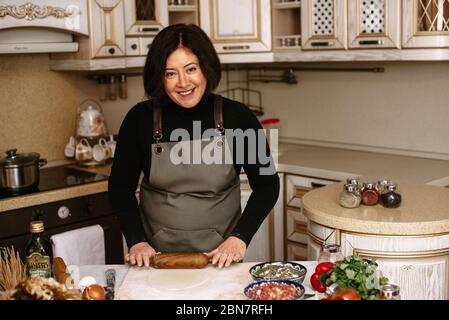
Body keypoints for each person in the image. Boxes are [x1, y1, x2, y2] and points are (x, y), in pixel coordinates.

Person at [108, 24, 280, 269]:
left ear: (205, 68)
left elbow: (267, 185)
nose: (183, 82)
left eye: (191, 69)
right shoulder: (139, 119)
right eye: (170, 73)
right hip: (155, 257)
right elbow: (120, 188)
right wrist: (136, 241)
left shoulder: (238, 117)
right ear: (159, 77)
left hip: (222, 256)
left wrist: (240, 237)